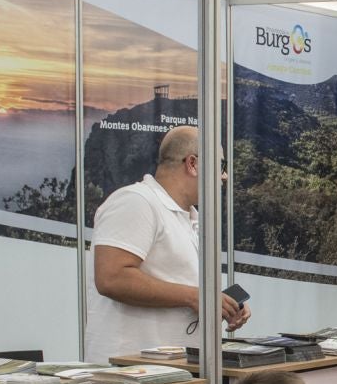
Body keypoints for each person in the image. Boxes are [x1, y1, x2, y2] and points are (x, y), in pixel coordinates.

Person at [86, 125, 248, 363]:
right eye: (221, 166)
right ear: (192, 164)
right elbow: (111, 278)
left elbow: (180, 286)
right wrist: (195, 297)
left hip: (174, 371)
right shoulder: (136, 201)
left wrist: (224, 305)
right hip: (130, 374)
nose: (224, 176)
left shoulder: (191, 218)